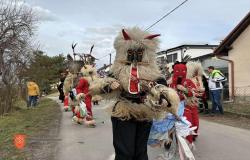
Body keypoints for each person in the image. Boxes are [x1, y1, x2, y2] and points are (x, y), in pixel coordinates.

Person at [89, 27, 180, 160]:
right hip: (123, 112)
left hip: (145, 112)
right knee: (125, 152)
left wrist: (163, 97)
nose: (136, 55)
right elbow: (101, 87)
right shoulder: (118, 70)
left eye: (140, 51)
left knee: (141, 152)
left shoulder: (152, 71)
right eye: (131, 51)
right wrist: (109, 86)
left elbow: (162, 87)